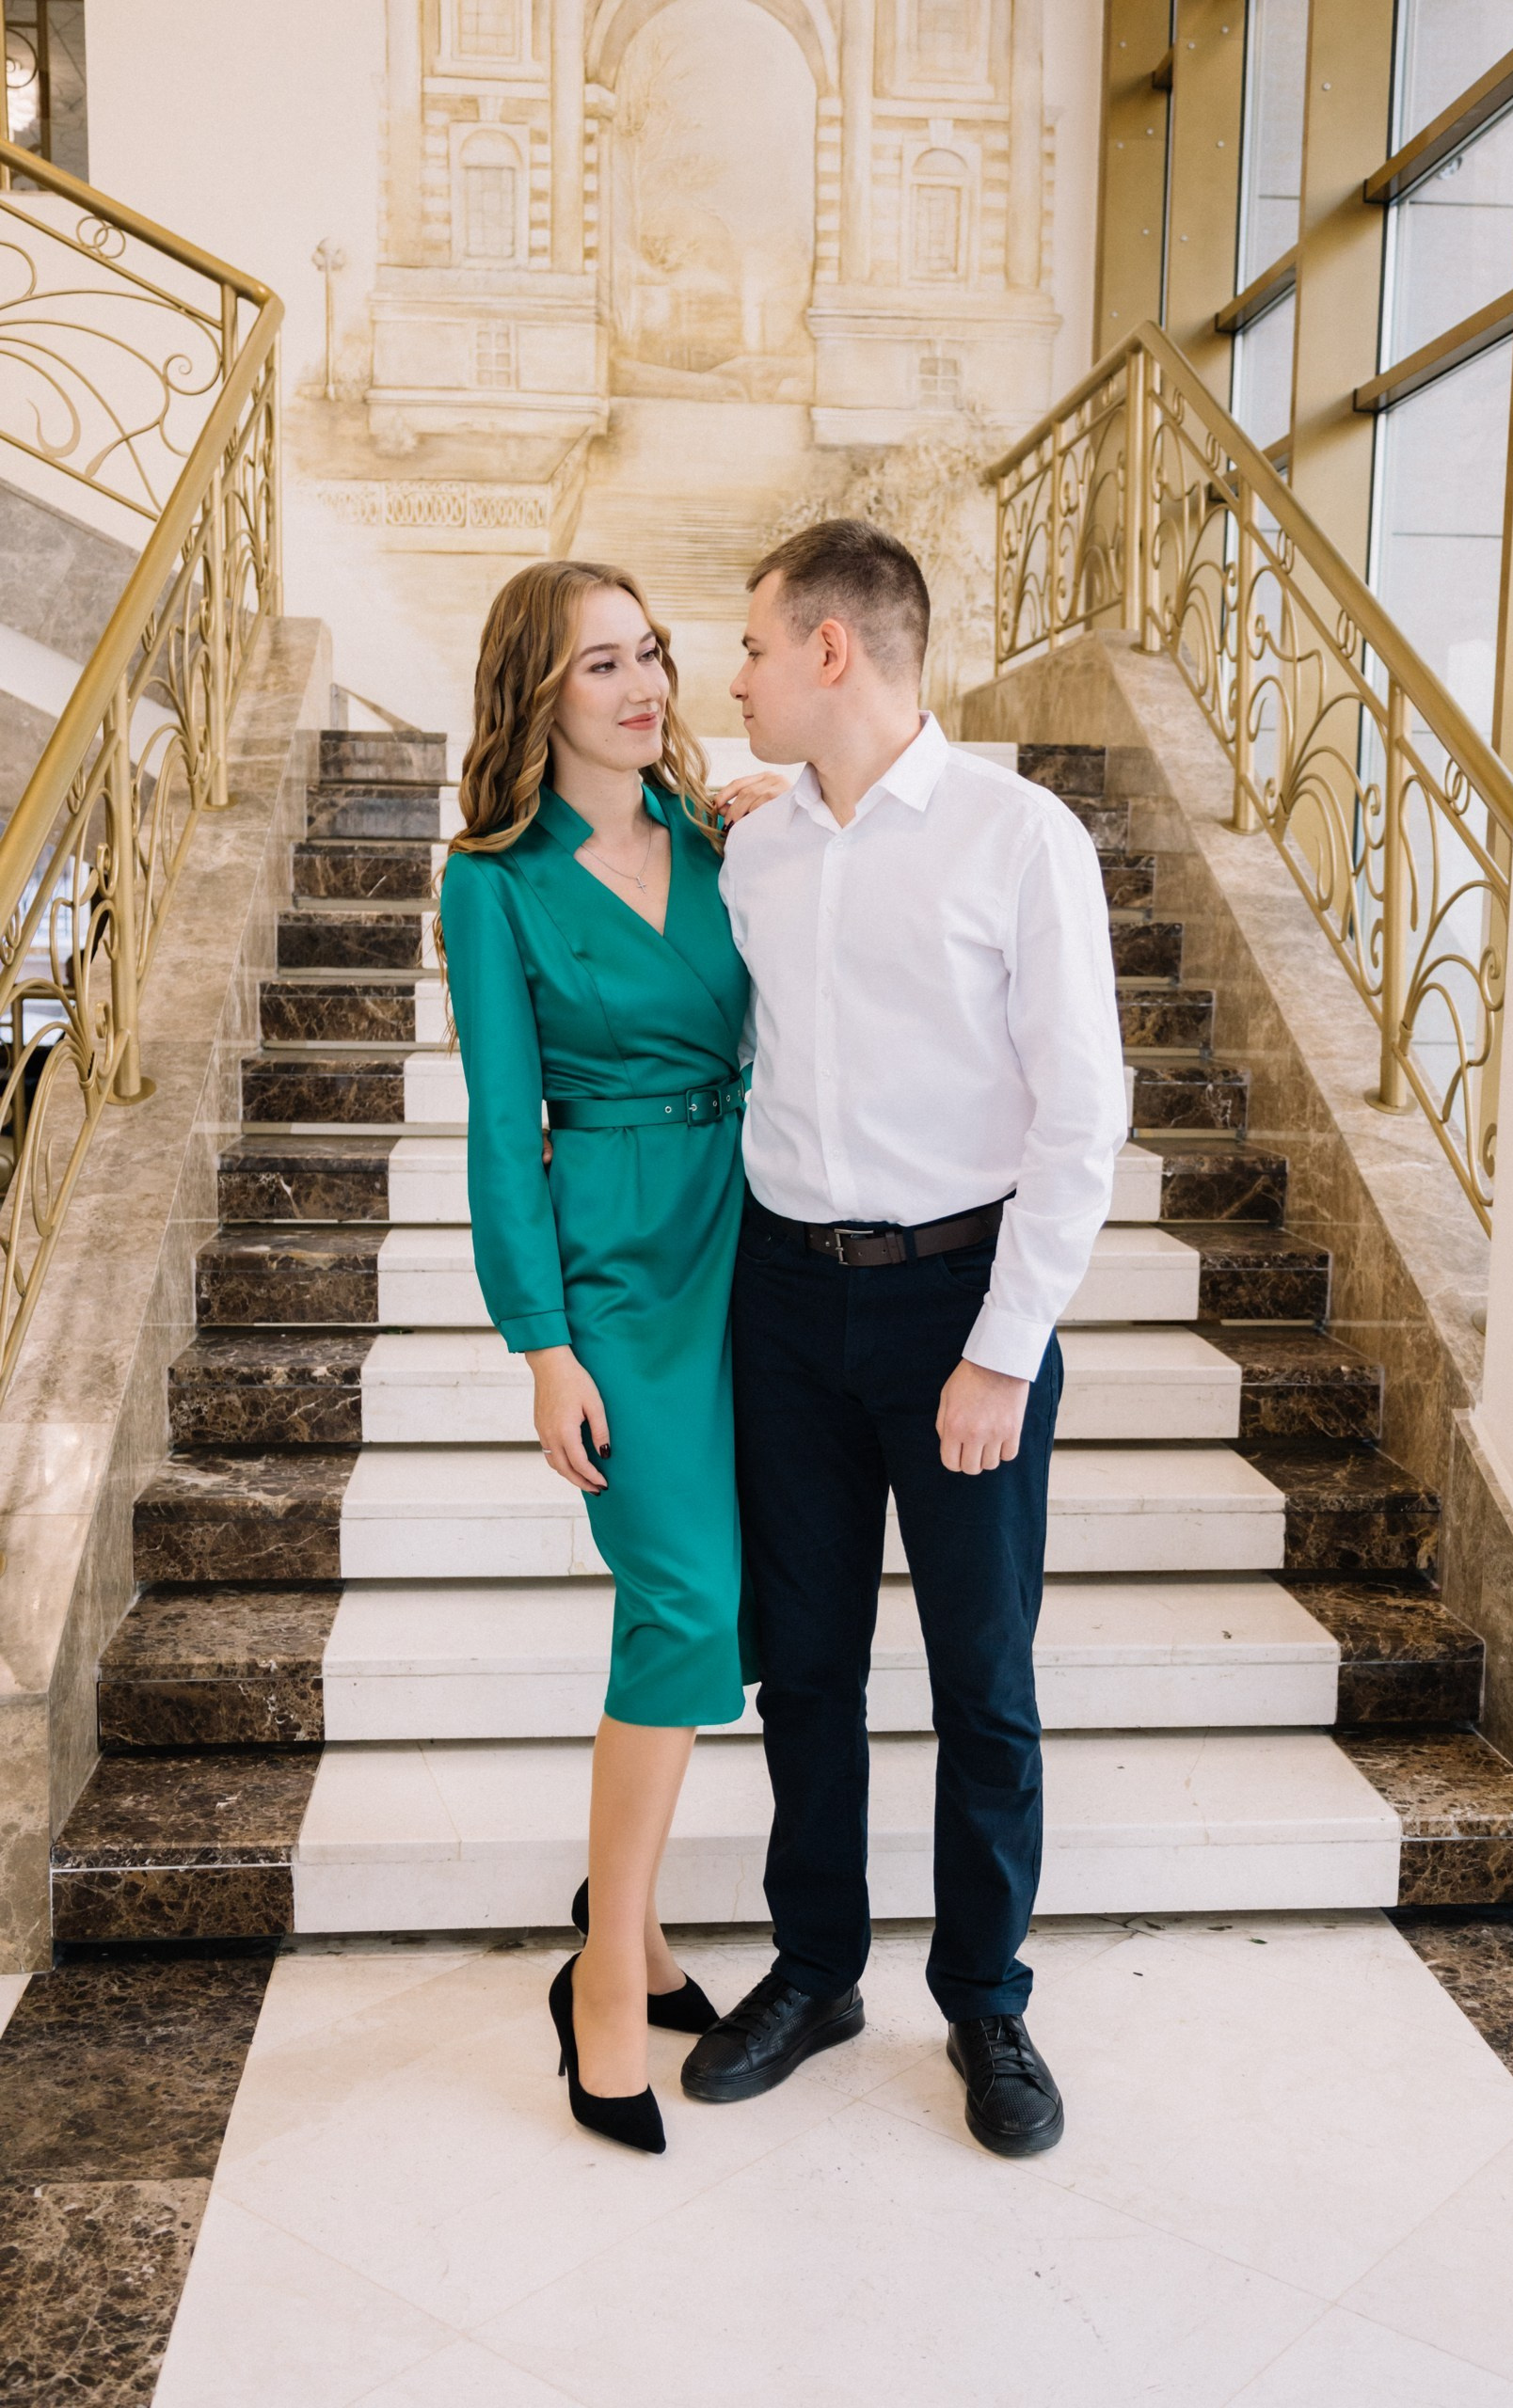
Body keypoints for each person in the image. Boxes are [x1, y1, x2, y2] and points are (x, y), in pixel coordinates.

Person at [681, 518, 1130, 2158]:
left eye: (751, 646)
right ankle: (816, 1973)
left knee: (983, 1680)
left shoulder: (1021, 837)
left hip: (962, 1299)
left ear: (831, 650)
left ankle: (987, 1999)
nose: (732, 677)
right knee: (804, 1665)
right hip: (786, 1301)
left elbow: (1083, 1113)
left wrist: (1005, 1348)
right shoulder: (755, 848)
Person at [437, 561, 779, 2156]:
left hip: (754, 1229)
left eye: (651, 655)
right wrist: (541, 1346)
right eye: (602, 665)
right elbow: (501, 1132)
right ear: (537, 692)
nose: (644, 688)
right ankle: (602, 1984)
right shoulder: (492, 882)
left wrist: (797, 814)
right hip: (618, 1264)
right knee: (682, 1599)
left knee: (741, 1607)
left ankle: (625, 1927)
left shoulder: (722, 833)